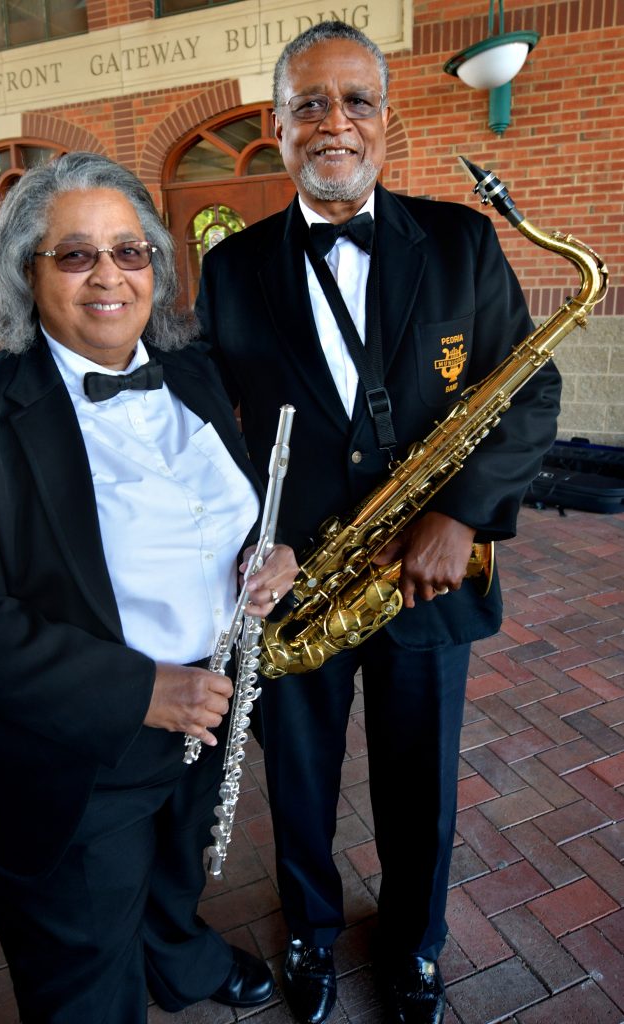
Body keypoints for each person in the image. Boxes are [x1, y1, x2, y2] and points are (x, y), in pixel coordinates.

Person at [196, 21, 562, 1024]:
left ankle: (415, 944)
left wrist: (464, 511)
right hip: (297, 584)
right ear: (277, 128)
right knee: (300, 782)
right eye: (309, 102)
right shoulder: (231, 271)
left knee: (421, 784)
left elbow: (529, 394)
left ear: (386, 122)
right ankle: (311, 929)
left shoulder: (461, 241)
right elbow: (208, 432)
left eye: (357, 100)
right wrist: (244, 537)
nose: (335, 122)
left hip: (428, 575)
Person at [0, 151, 298, 1024]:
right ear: (24, 273)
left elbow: (218, 514)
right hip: (67, 755)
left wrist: (269, 554)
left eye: (130, 251)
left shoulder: (191, 373)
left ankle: (178, 961)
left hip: (209, 712)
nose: (109, 274)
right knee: (83, 981)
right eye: (75, 255)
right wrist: (143, 691)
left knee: (177, 872)